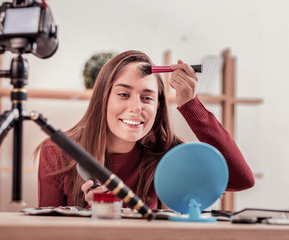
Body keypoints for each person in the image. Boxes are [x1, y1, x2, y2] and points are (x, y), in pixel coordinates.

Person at [36, 50, 255, 209]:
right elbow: (46, 233)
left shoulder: (168, 156)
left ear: (158, 106)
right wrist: (92, 216)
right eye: (123, 94)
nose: (136, 108)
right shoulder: (57, 151)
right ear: (103, 99)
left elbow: (241, 179)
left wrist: (191, 106)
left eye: (147, 97)